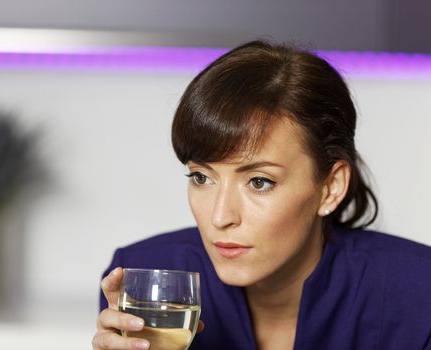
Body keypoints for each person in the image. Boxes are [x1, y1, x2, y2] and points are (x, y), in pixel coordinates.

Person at [92, 40, 431, 350]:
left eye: (259, 182)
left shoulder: (419, 294)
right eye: (201, 177)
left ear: (331, 188)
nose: (220, 217)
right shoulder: (146, 282)